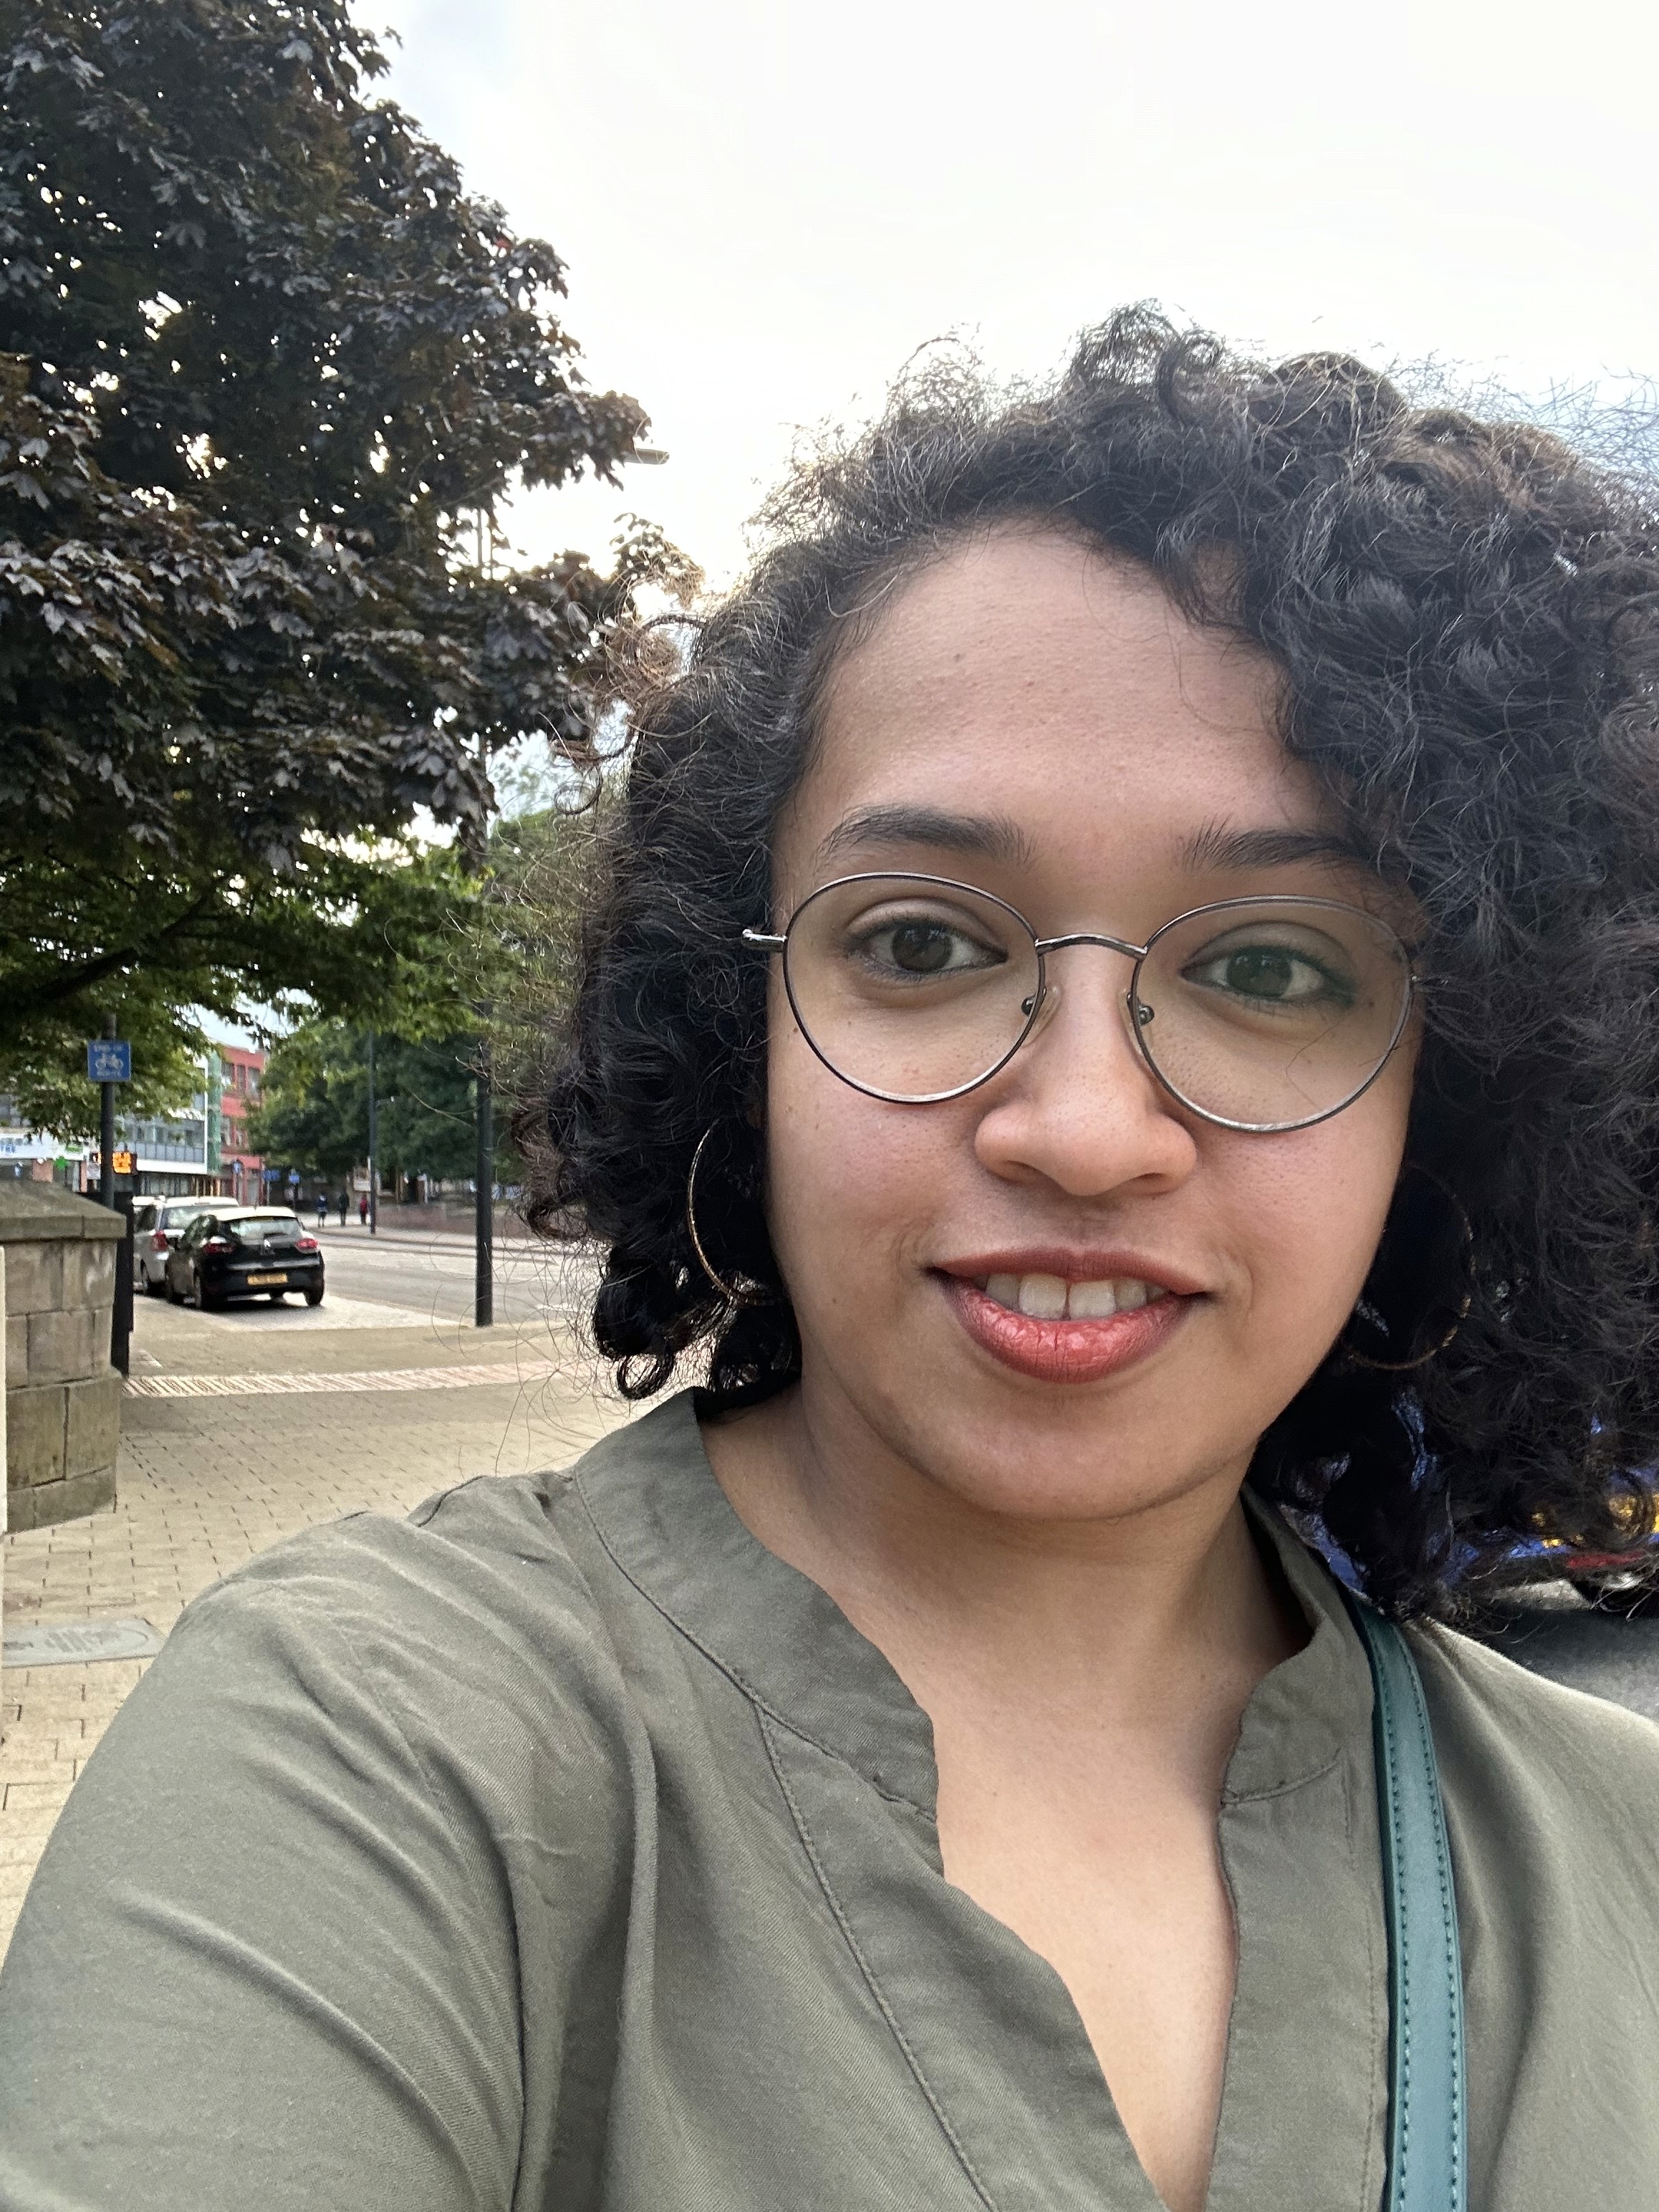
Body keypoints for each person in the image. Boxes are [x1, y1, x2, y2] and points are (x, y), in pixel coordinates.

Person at [5, 311, 1659, 2211]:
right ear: (745, 1035)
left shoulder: (1608, 1852)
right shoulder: (366, 1752)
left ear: (1463, 1090)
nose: (1081, 1129)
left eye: (1273, 967)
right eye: (922, 944)